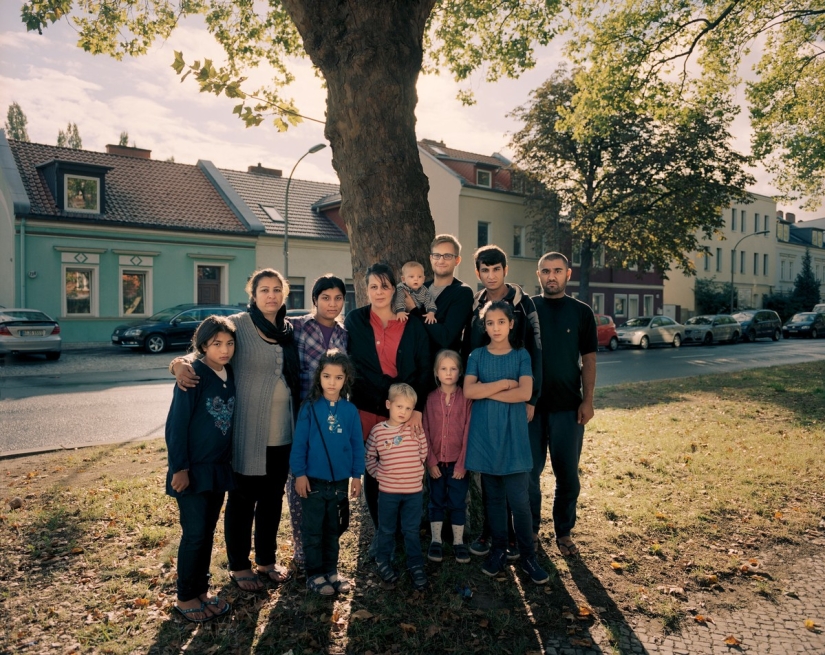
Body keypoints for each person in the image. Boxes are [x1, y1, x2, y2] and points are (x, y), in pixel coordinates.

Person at [170, 268, 299, 591]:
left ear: (284, 294)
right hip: (246, 434)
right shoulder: (239, 324)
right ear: (253, 294)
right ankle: (240, 566)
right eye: (264, 289)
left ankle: (266, 560)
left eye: (277, 289)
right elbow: (206, 347)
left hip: (283, 432)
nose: (271, 295)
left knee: (272, 500)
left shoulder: (288, 330)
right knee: (243, 502)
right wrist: (178, 364)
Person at [462, 245, 542, 558]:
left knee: (517, 478)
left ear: (504, 270)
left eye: (496, 269)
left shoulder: (523, 305)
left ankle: (523, 540)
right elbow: (469, 351)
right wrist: (491, 388)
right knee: (491, 479)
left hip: (516, 405)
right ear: (478, 272)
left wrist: (531, 397)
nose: (491, 275)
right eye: (485, 270)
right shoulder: (476, 304)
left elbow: (535, 353)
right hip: (485, 403)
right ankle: (493, 536)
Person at [344, 263, 431, 528]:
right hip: (367, 409)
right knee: (374, 471)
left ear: (395, 289)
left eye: (384, 286)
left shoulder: (412, 325)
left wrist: (417, 408)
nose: (379, 292)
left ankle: (404, 531)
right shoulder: (355, 321)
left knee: (402, 470)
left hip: (403, 412)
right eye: (373, 286)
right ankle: (382, 532)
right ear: (366, 289)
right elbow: (354, 366)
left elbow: (424, 369)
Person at [165, 315, 236, 622]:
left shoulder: (229, 371)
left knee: (207, 533)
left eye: (229, 343)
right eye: (216, 343)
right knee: (194, 534)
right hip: (191, 469)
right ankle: (185, 597)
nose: (224, 350)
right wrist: (179, 468)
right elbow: (176, 425)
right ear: (203, 345)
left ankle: (202, 591)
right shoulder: (193, 375)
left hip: (217, 469)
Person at [529, 252, 597, 557]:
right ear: (538, 275)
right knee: (528, 474)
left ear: (568, 274)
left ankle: (564, 531)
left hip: (569, 407)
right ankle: (530, 530)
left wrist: (588, 400)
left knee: (567, 475)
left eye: (557, 271)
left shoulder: (581, 312)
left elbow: (589, 360)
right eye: (546, 271)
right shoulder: (528, 309)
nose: (551, 276)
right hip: (530, 407)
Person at [287, 274, 349, 572]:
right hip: (302, 413)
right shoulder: (297, 326)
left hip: (332, 418)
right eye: (325, 298)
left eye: (338, 298)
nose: (332, 304)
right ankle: (302, 547)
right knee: (299, 481)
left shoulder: (343, 333)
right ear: (315, 300)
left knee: (327, 485)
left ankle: (326, 548)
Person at [290, 349, 364, 596]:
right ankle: (314, 574)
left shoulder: (350, 411)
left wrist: (357, 475)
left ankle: (331, 571)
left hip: (340, 483)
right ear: (319, 377)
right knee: (313, 530)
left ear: (346, 379)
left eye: (338, 377)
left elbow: (357, 445)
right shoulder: (309, 408)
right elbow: (299, 444)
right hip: (312, 482)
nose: (332, 382)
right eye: (327, 376)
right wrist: (299, 474)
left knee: (333, 529)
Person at [365, 383, 429, 590]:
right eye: (399, 406)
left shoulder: (415, 428)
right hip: (388, 492)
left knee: (411, 530)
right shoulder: (378, 431)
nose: (403, 412)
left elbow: (423, 452)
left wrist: (415, 471)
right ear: (388, 404)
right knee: (386, 529)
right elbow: (369, 457)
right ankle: (383, 560)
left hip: (413, 492)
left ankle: (415, 563)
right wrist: (379, 475)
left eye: (408, 408)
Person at [423, 349, 472, 564]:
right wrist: (430, 461)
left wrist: (462, 464)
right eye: (443, 368)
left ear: (460, 372)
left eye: (453, 368)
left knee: (457, 502)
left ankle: (458, 542)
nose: (448, 373)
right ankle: (436, 540)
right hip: (436, 464)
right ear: (436, 372)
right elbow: (424, 430)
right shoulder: (430, 399)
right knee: (436, 501)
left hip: (458, 464)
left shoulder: (466, 399)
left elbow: (469, 432)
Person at [401, 234, 474, 357]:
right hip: (412, 363)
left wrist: (413, 310)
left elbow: (445, 337)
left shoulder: (462, 292)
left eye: (447, 256)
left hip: (441, 365)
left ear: (457, 260)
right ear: (431, 258)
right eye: (437, 255)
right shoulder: (419, 288)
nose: (441, 260)